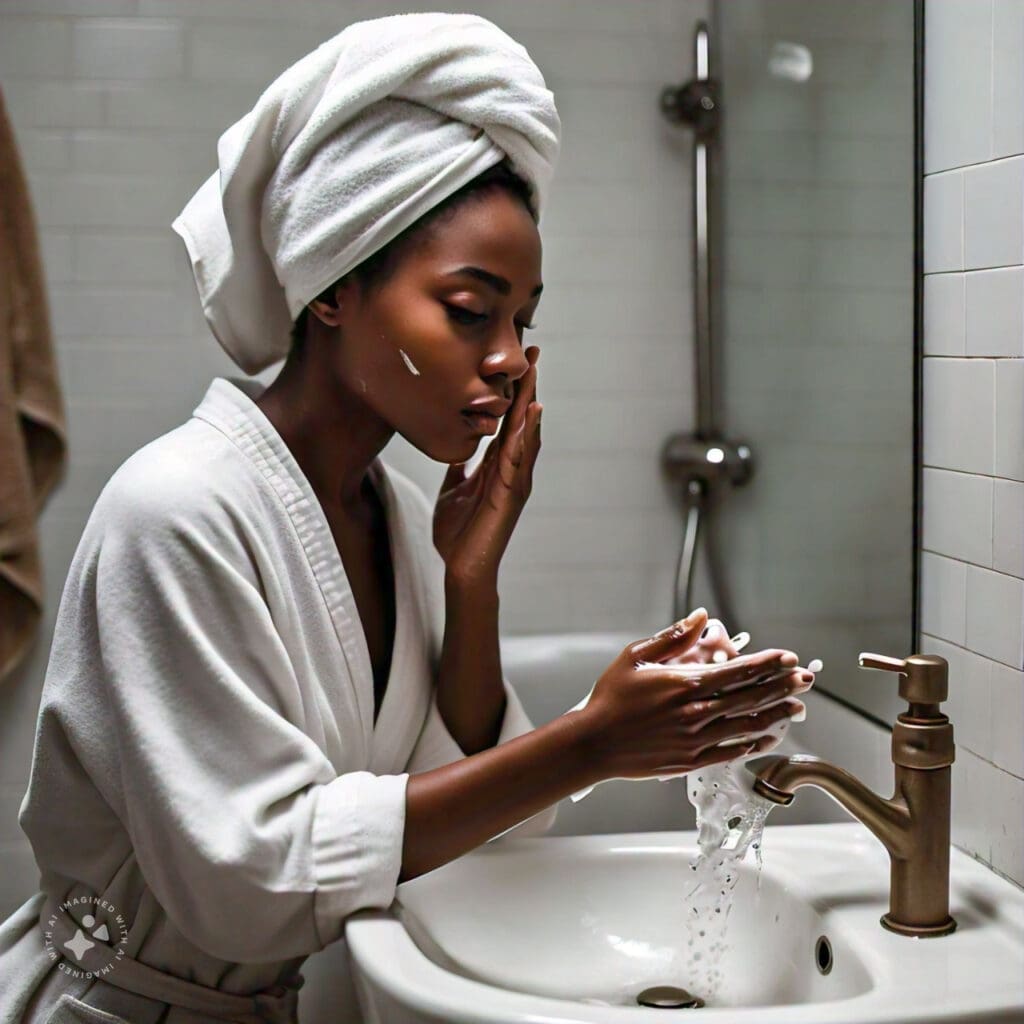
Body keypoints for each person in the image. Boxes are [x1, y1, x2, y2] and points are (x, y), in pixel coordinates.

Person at [0, 13, 813, 1024]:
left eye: (523, 319)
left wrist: (471, 589)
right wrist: (590, 742)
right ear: (337, 286)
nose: (511, 357)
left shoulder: (394, 517)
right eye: (471, 310)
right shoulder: (175, 511)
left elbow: (472, 832)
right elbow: (251, 889)